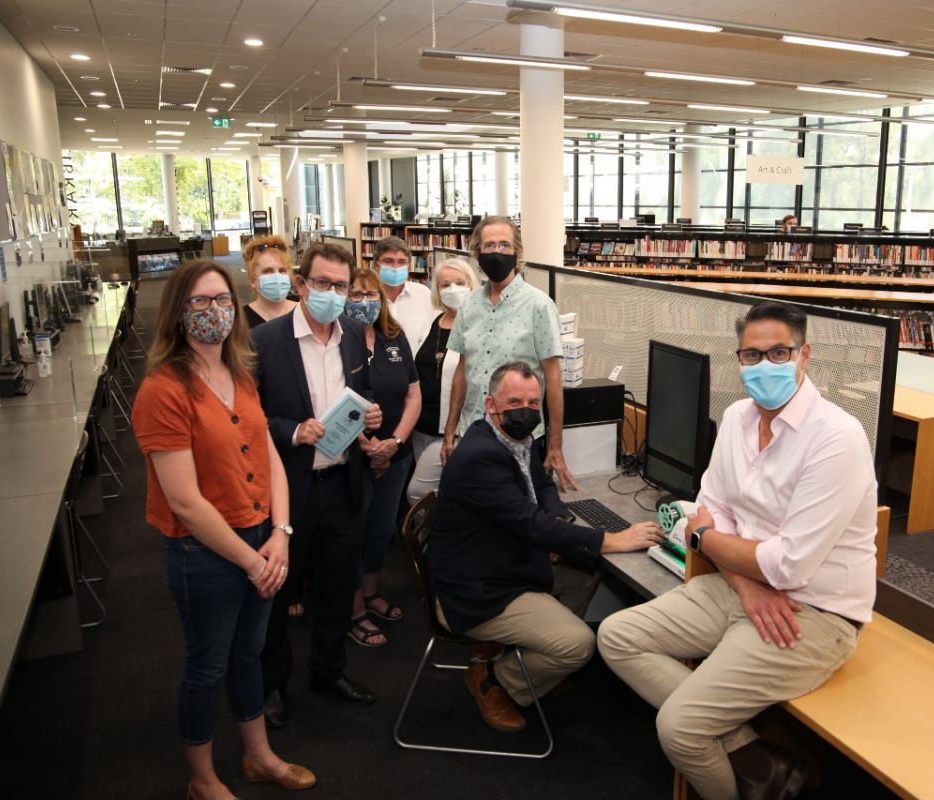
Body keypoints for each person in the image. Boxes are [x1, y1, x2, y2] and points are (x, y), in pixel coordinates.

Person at [597, 301, 877, 800]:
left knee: (680, 728)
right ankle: (755, 760)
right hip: (738, 589)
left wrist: (707, 540)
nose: (764, 365)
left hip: (810, 612)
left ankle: (739, 769)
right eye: (752, 355)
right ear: (738, 360)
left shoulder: (837, 438)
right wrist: (745, 582)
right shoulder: (736, 417)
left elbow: (785, 562)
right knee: (617, 636)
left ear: (804, 355)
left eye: (778, 353)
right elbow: (710, 507)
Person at [131, 260, 315, 799]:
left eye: (222, 301)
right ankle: (203, 778)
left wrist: (280, 532)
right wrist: (251, 559)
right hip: (204, 553)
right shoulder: (163, 390)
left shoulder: (239, 372)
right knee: (206, 665)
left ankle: (258, 756)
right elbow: (184, 501)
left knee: (247, 654)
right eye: (200, 303)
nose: (214, 312)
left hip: (262, 536)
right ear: (177, 314)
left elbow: (271, 456)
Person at [427, 362, 663, 733]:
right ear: (491, 404)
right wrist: (609, 540)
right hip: (477, 588)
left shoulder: (512, 441)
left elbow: (544, 486)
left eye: (534, 403)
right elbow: (528, 522)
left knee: (586, 572)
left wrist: (560, 522)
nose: (526, 410)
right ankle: (496, 679)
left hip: (503, 560)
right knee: (579, 645)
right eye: (515, 401)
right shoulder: (480, 457)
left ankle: (533, 661)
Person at [251, 242, 384, 728]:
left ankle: (329, 672)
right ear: (301, 283)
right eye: (322, 283)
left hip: (344, 485)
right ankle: (271, 687)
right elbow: (246, 420)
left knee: (334, 590)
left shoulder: (352, 334)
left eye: (340, 285)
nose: (332, 293)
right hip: (290, 491)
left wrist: (371, 412)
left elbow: (362, 393)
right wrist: (292, 429)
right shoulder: (265, 342)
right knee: (279, 597)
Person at [441, 216, 576, 491]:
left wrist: (556, 446)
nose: (497, 252)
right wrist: (450, 431)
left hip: (520, 436)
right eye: (489, 245)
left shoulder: (539, 305)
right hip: (472, 431)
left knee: (520, 518)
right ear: (478, 253)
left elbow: (552, 380)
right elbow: (462, 371)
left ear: (518, 252)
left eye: (504, 245)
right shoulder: (468, 306)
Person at [344, 267, 421, 647]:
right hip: (352, 457)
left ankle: (372, 592)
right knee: (353, 532)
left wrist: (394, 441)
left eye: (370, 294)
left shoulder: (395, 336)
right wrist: (366, 444)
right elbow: (329, 399)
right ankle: (354, 609)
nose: (363, 302)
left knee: (380, 530)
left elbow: (413, 394)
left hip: (396, 453)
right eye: (355, 295)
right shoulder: (337, 340)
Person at [406, 256, 479, 504]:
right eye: (445, 285)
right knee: (434, 497)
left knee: (422, 493)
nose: (453, 290)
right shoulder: (431, 322)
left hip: (457, 432)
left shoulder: (480, 325)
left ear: (472, 284)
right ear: (436, 290)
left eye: (460, 282)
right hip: (421, 428)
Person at [373, 235, 436, 352]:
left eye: (402, 262)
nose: (396, 267)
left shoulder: (424, 295)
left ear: (408, 266)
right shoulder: (367, 299)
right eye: (389, 261)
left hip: (415, 367)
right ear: (376, 265)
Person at [241, 235, 297, 328]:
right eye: (268, 271)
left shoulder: (304, 312)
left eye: (282, 270)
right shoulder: (241, 320)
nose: (277, 276)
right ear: (253, 280)